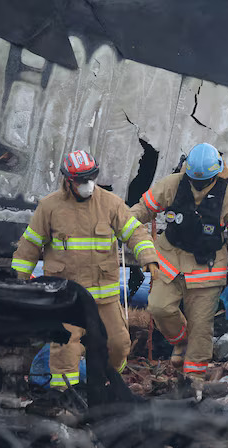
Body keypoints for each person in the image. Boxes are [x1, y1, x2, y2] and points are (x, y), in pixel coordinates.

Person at [11, 150, 158, 388]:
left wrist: (148, 257)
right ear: (68, 181)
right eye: (81, 180)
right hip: (67, 298)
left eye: (92, 177)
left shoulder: (110, 204)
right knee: (65, 348)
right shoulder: (49, 208)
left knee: (119, 344)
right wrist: (18, 282)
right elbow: (29, 245)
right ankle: (65, 395)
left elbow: (134, 233)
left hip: (104, 297)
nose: (87, 184)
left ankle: (109, 384)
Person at [128, 143, 228, 397]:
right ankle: (179, 340)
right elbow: (142, 210)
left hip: (207, 268)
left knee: (201, 327)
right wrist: (123, 225)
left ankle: (193, 379)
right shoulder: (172, 184)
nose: (198, 184)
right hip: (170, 260)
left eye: (205, 180)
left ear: (216, 174)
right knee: (159, 307)